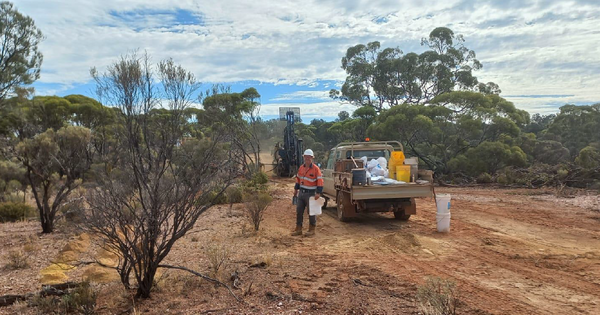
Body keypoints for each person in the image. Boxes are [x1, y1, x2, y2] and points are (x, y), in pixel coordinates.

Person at [291, 149, 323, 237]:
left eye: (309, 157)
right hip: (301, 193)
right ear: (304, 157)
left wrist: (318, 193)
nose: (307, 159)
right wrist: (296, 189)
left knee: (311, 212)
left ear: (312, 158)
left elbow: (320, 181)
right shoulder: (301, 168)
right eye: (306, 157)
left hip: (311, 194)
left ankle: (312, 229)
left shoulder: (316, 169)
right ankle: (298, 229)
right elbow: (298, 179)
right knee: (299, 211)